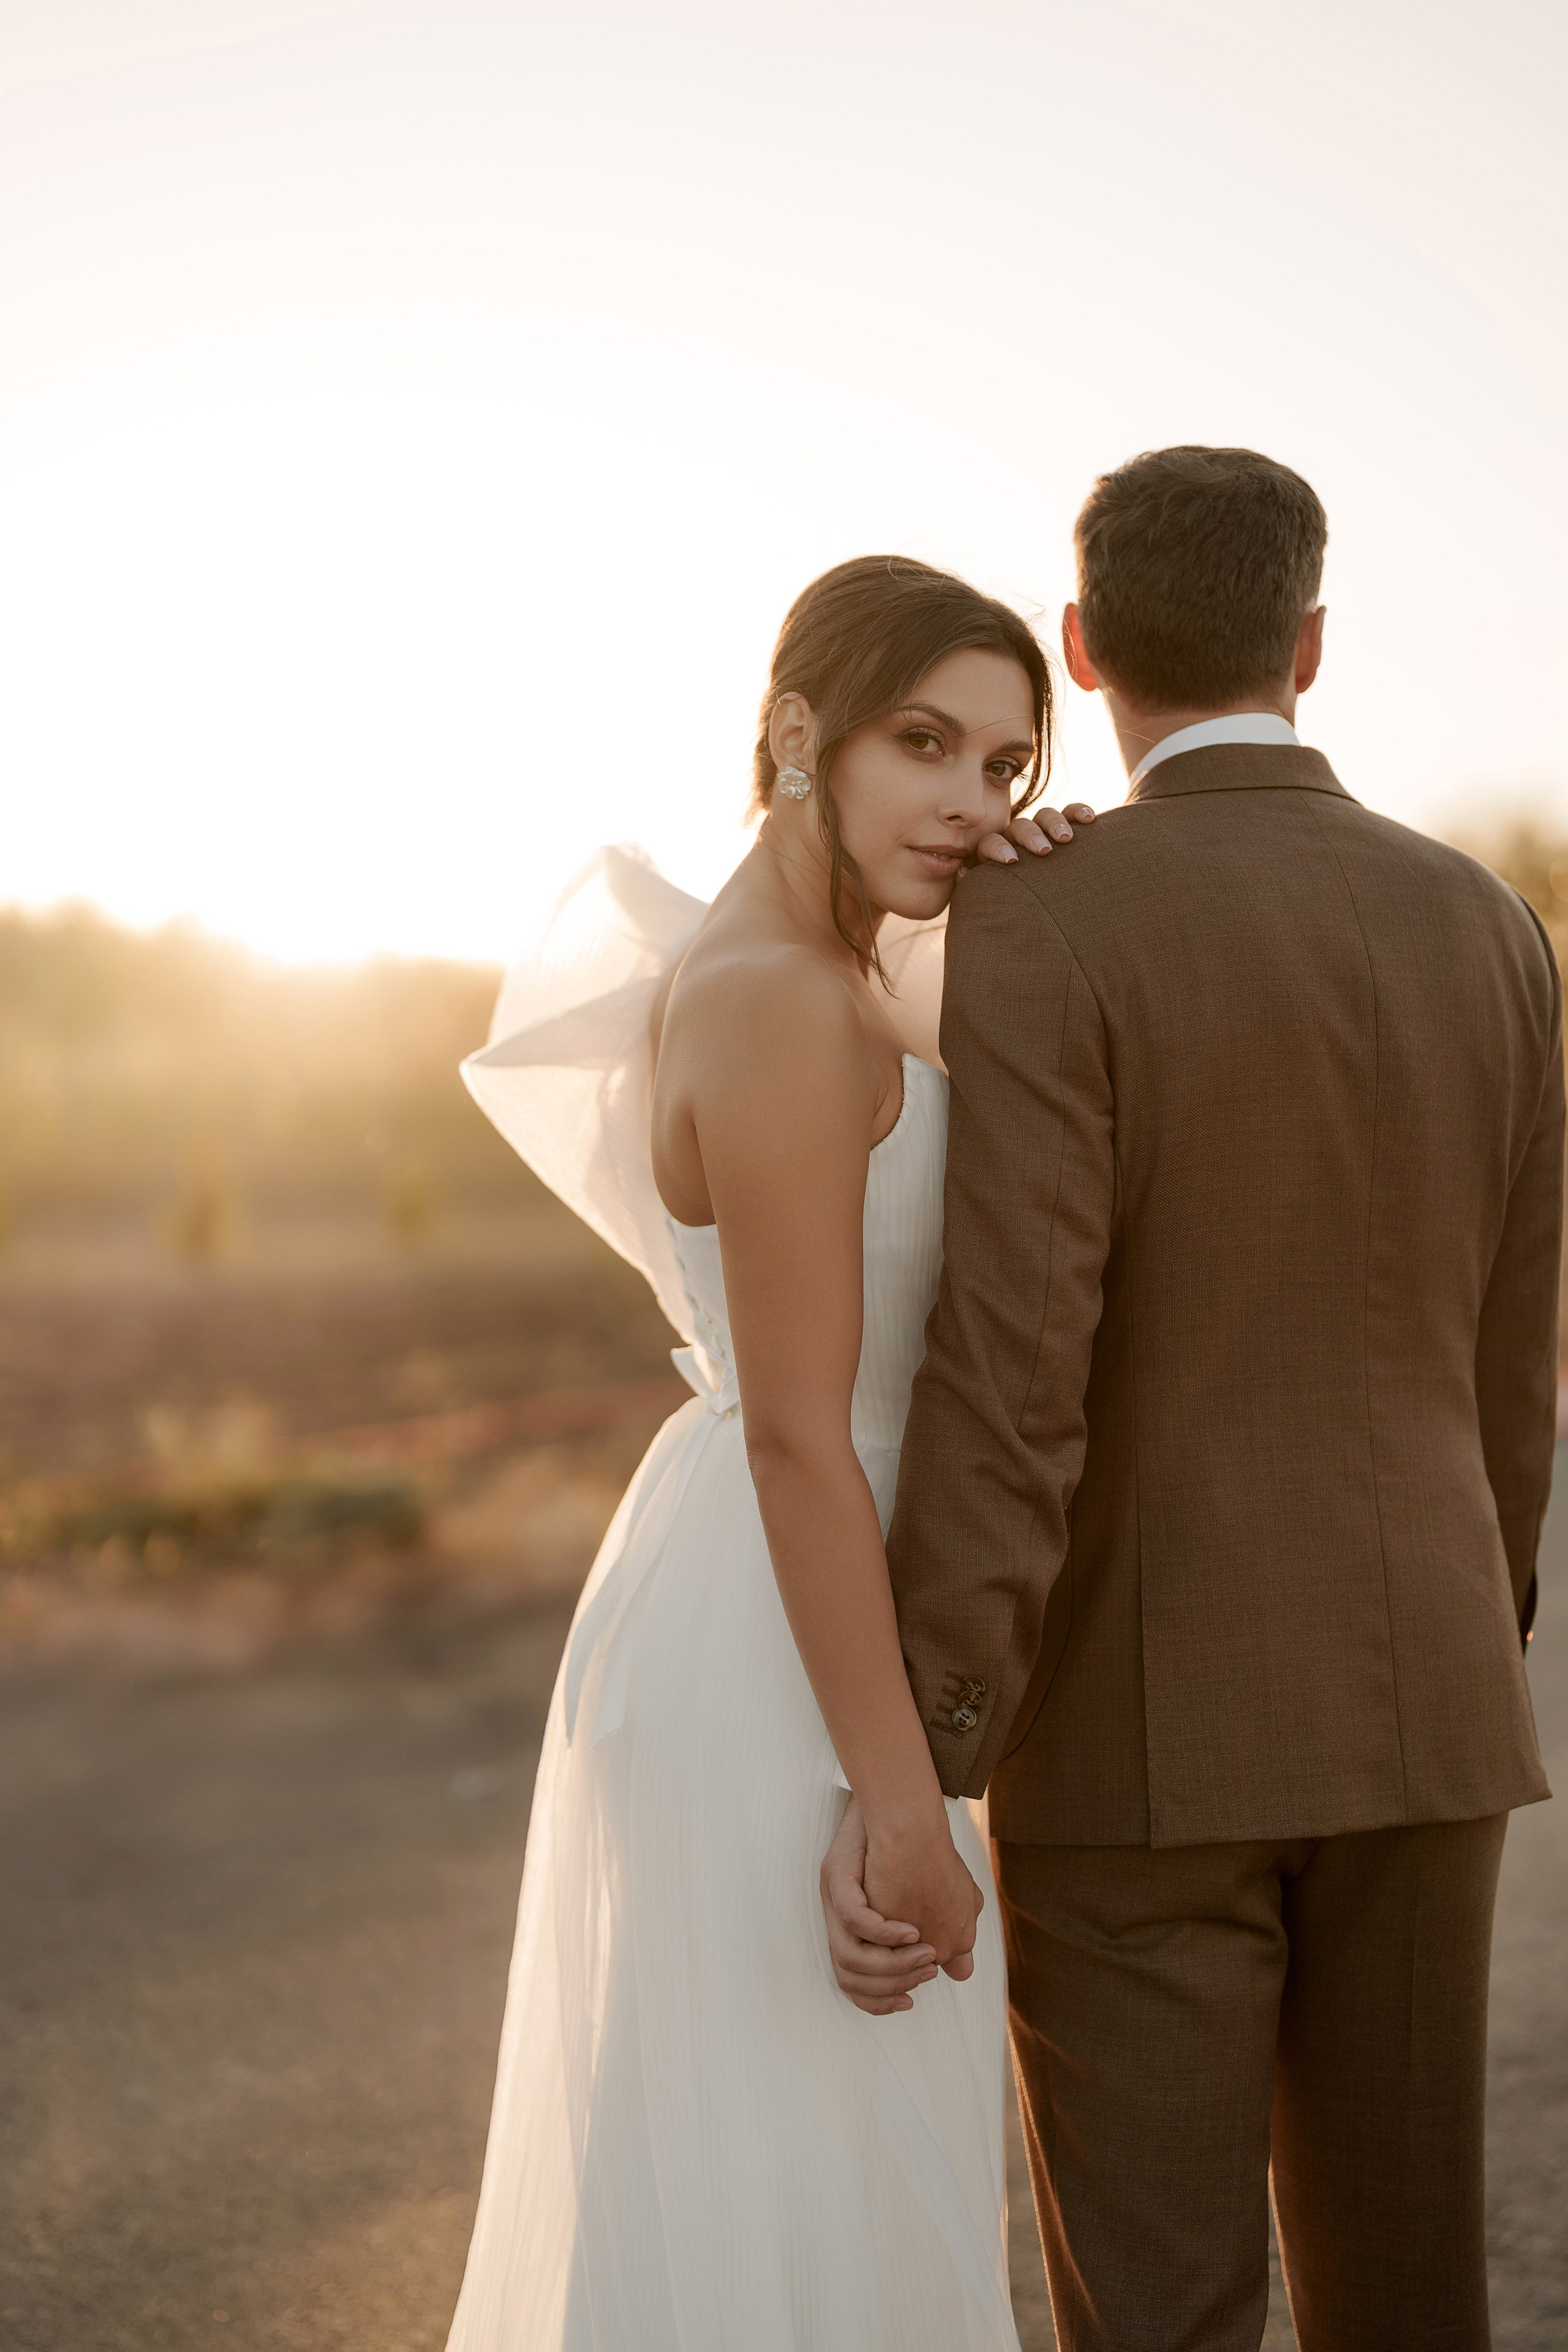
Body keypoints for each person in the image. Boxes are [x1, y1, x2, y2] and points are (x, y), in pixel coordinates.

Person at [825, 446, 1561, 2351]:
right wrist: (1482, 1623)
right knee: (1414, 2304)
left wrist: (939, 1740)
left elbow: (1015, 1369)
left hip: (1137, 1749)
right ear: (1310, 644)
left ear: (1081, 648)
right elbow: (1514, 1363)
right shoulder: (1498, 931)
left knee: (1159, 2314)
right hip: (1430, 1705)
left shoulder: (1049, 918)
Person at [448, 554, 1094, 2352]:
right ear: (796, 732)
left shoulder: (821, 970)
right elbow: (806, 1437)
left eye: (1005, 768)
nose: (972, 801)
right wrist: (900, 1803)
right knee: (807, 2180)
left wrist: (1038, 904)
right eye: (926, 744)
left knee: (826, 2183)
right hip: (787, 1612)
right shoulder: (781, 1000)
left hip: (808, 1588)